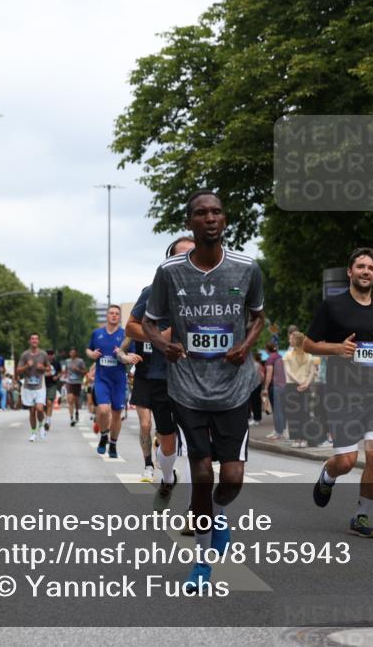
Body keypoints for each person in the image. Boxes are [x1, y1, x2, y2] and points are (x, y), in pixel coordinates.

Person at [143, 190, 265, 592]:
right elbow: (148, 323)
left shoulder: (247, 268)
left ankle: (214, 512)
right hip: (187, 388)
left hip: (233, 387)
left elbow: (259, 316)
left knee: (230, 479)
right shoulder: (170, 272)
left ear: (224, 220)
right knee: (199, 472)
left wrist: (245, 347)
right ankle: (202, 564)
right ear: (190, 223)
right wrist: (166, 346)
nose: (210, 218)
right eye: (201, 213)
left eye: (216, 212)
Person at [305, 247, 373, 538]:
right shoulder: (333, 306)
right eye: (361, 267)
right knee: (347, 462)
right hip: (343, 394)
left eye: (371, 268)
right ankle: (328, 475)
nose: (366, 271)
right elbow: (308, 344)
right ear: (350, 271)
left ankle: (361, 516)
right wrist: (337, 348)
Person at [127, 235, 195, 488]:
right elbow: (131, 329)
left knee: (193, 444)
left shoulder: (210, 292)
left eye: (194, 253)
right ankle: (167, 476)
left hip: (195, 378)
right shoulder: (153, 291)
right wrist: (161, 337)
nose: (189, 260)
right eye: (182, 255)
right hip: (160, 377)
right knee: (168, 443)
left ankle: (196, 511)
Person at [88, 305, 138, 458]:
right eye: (111, 313)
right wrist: (92, 355)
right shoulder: (97, 333)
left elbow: (132, 355)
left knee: (117, 414)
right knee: (103, 410)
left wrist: (123, 355)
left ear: (119, 317)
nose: (114, 316)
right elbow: (88, 350)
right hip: (101, 379)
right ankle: (104, 436)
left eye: (117, 314)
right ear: (107, 315)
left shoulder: (125, 335)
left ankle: (113, 444)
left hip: (119, 381)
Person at [283, 330, 317, 448]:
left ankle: (296, 439)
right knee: (305, 413)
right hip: (305, 387)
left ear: (295, 340)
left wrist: (299, 383)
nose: (289, 340)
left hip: (292, 386)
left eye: (290, 338)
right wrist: (306, 384)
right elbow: (313, 372)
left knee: (293, 414)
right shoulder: (309, 355)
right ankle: (304, 439)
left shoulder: (287, 355)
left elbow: (288, 371)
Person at [17, 333, 50, 441]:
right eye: (32, 339)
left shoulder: (43, 354)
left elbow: (49, 368)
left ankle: (41, 425)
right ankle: (33, 432)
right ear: (29, 341)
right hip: (28, 387)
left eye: (36, 339)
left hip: (40, 386)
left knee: (39, 409)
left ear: (38, 341)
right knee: (31, 411)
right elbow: (18, 370)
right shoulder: (25, 355)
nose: (34, 340)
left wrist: (43, 367)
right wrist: (27, 365)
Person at [263, 341, 286, 440]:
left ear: (267, 349)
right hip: (283, 386)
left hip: (274, 386)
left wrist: (265, 388)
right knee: (281, 410)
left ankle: (278, 432)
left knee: (276, 410)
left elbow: (269, 374)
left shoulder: (270, 359)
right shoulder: (280, 357)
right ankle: (280, 430)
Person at [62, 347, 87, 426]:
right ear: (69, 353)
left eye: (73, 352)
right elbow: (65, 371)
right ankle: (71, 418)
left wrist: (77, 370)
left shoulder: (80, 361)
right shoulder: (67, 361)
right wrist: (65, 376)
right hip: (69, 382)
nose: (72, 354)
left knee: (76, 401)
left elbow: (85, 371)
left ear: (76, 353)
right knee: (70, 400)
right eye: (71, 352)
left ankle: (76, 412)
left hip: (77, 382)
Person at [44, 348, 62, 429]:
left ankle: (48, 421)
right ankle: (47, 417)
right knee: (43, 405)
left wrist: (57, 377)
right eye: (48, 354)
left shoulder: (56, 363)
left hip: (52, 384)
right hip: (42, 385)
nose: (49, 356)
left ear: (53, 355)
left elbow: (60, 372)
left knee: (49, 402)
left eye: (51, 354)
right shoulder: (42, 363)